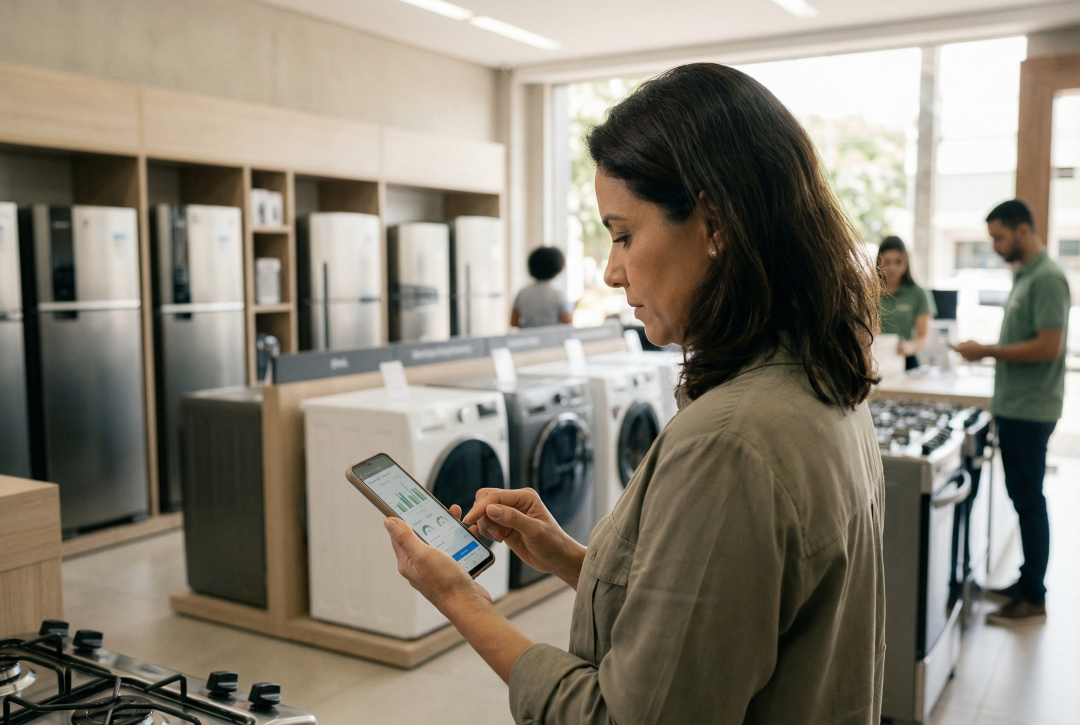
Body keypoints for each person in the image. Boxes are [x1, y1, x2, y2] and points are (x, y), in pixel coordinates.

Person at [383, 63, 886, 724]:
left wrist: (459, 597)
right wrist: (564, 554)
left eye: (623, 234)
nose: (613, 270)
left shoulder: (730, 441)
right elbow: (712, 619)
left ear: (715, 223)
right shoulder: (820, 379)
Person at [956, 199, 1071, 626]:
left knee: (1029, 501)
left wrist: (985, 350)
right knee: (1023, 499)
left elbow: (1048, 346)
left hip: (1031, 410)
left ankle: (1034, 597)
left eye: (999, 237)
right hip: (1015, 407)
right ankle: (1025, 584)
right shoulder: (1025, 276)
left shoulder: (1048, 279)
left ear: (1023, 230)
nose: (995, 245)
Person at [877, 235, 937, 369]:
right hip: (873, 359)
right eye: (887, 262)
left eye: (898, 262)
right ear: (879, 262)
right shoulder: (869, 293)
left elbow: (924, 337)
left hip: (905, 360)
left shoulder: (918, 293)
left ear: (907, 262)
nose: (892, 268)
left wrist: (909, 347)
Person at [511, 246, 574, 328]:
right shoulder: (558, 293)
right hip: (551, 338)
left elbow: (513, 322)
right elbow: (567, 321)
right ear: (558, 266)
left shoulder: (522, 292)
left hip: (529, 339)